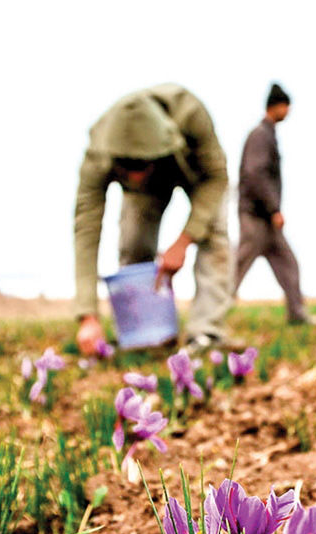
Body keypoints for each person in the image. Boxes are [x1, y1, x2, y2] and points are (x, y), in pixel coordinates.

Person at [73, 83, 231, 355]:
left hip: (198, 177)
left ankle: (206, 332)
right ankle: (144, 333)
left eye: (140, 166)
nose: (135, 175)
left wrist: (183, 241)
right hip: (147, 192)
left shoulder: (191, 115)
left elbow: (217, 177)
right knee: (134, 242)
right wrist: (87, 314)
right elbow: (86, 228)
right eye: (127, 166)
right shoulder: (99, 152)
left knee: (213, 233)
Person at [234, 83, 314, 324]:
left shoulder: (268, 134)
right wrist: (273, 208)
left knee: (288, 263)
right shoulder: (260, 135)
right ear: (277, 106)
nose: (288, 111)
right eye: (286, 106)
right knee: (239, 264)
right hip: (256, 216)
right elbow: (255, 173)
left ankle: (298, 314)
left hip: (266, 218)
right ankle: (211, 316)